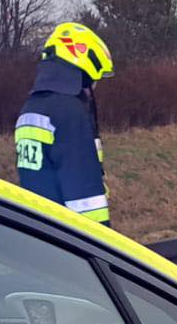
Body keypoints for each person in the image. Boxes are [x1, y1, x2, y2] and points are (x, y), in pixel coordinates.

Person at [15, 23, 115, 225]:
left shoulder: (30, 108)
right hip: (71, 239)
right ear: (84, 70)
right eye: (92, 81)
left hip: (40, 230)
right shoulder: (69, 113)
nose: (93, 88)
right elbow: (86, 199)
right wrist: (103, 247)